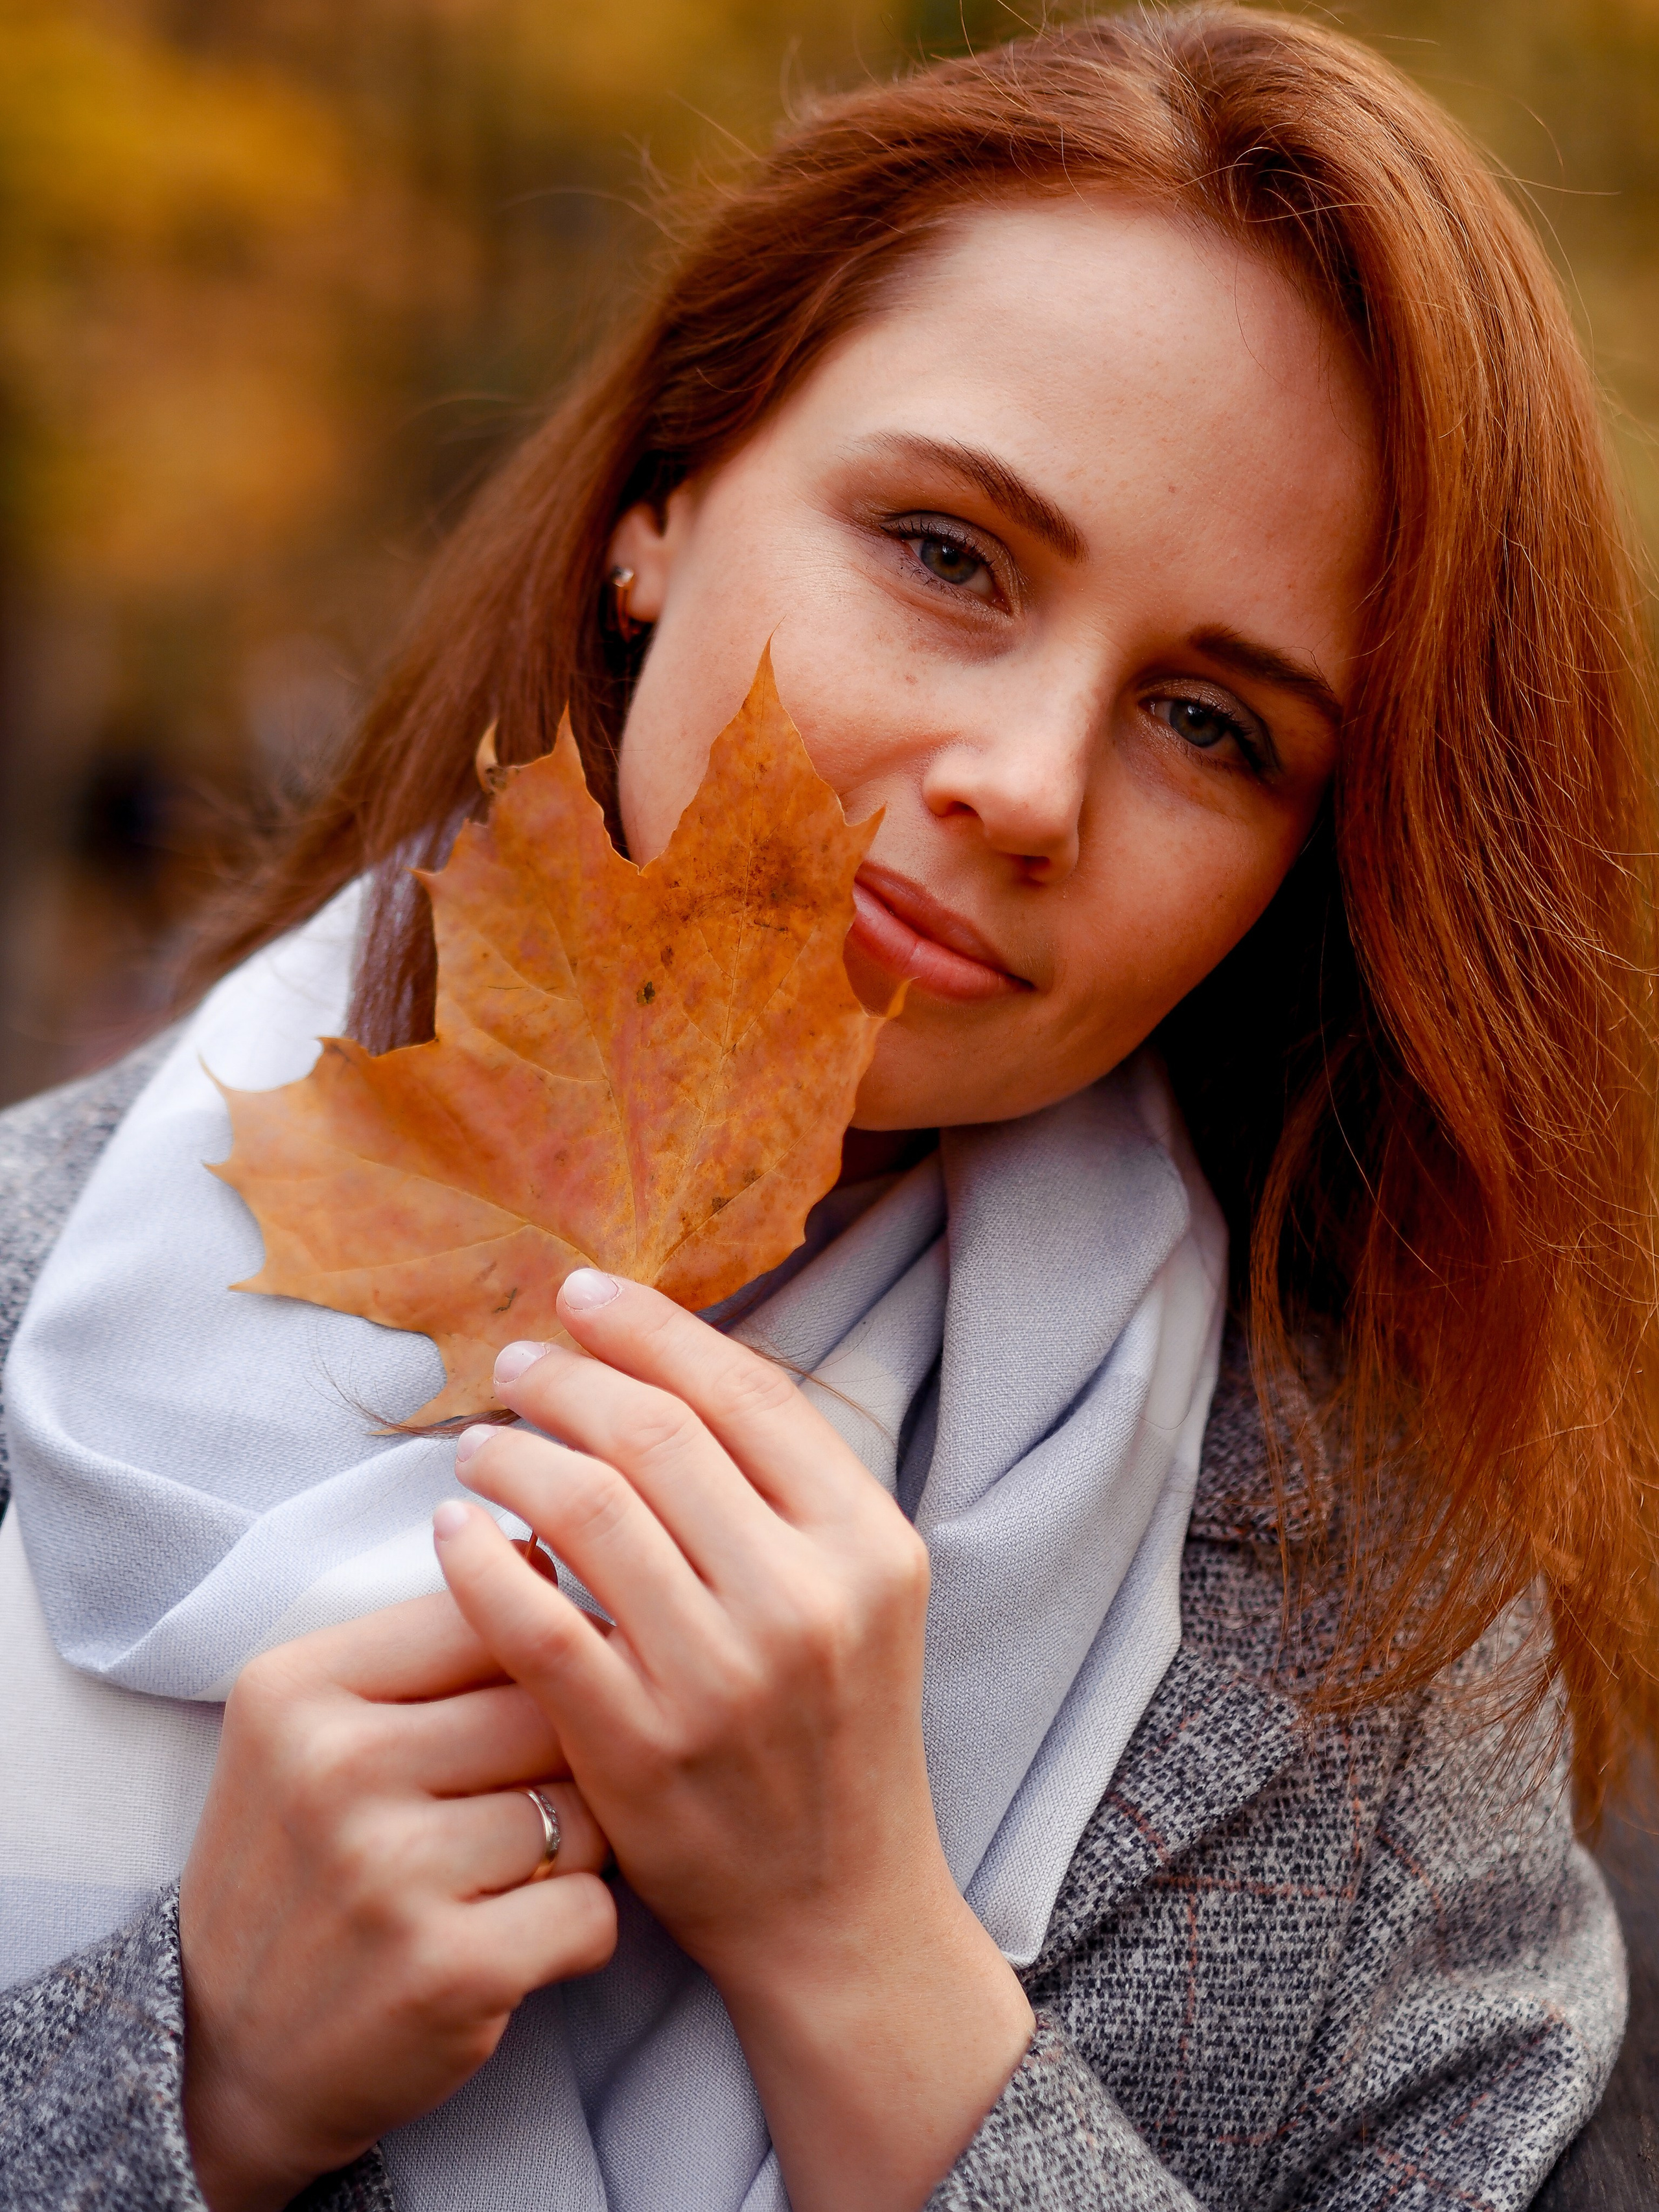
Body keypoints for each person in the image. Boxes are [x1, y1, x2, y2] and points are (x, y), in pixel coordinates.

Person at [1, 8, 1655, 2209]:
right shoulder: (37, 1264)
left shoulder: (1393, 1660)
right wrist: (188, 2082)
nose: (1029, 784)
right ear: (654, 511)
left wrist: (861, 1955)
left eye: (1210, 720)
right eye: (950, 553)